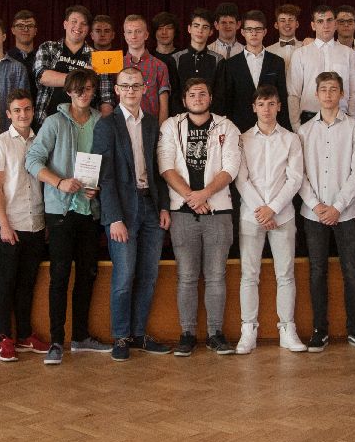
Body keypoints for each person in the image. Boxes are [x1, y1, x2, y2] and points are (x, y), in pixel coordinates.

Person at [26, 68, 110, 363]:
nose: (84, 94)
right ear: (69, 91)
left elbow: (107, 165)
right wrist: (59, 182)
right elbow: (32, 161)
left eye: (89, 89)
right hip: (60, 211)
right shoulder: (54, 122)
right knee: (60, 276)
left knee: (87, 274)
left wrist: (98, 188)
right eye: (79, 89)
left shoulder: (101, 122)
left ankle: (81, 336)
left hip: (90, 211)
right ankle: (56, 341)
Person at [92, 67, 173, 362]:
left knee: (148, 275)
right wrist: (113, 217)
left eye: (135, 86)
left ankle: (139, 334)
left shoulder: (152, 123)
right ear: (116, 90)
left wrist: (164, 206)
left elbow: (160, 168)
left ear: (144, 89)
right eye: (125, 86)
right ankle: (121, 336)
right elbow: (104, 176)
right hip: (122, 210)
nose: (130, 91)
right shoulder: (106, 125)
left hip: (151, 205)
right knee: (125, 276)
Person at [158, 78, 241, 356]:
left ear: (210, 98)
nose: (197, 98)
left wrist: (204, 194)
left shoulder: (226, 126)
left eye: (202, 94)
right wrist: (191, 197)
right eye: (192, 94)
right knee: (186, 276)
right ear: (184, 100)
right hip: (182, 213)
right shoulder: (171, 126)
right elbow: (165, 166)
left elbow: (231, 168)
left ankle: (216, 334)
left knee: (216, 276)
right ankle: (187, 333)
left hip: (218, 211)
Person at [298, 72, 355, 353]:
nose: (328, 94)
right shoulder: (304, 131)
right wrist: (317, 206)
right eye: (323, 89)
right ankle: (320, 330)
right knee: (317, 271)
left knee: (351, 271)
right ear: (316, 94)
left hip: (347, 213)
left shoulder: (354, 128)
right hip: (313, 213)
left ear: (342, 94)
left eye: (333, 89)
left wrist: (337, 207)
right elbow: (299, 174)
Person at [235, 84, 306, 354]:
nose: (266, 109)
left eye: (271, 104)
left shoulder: (291, 139)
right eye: (261, 104)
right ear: (254, 108)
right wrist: (261, 211)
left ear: (279, 107)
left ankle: (287, 329)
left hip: (283, 215)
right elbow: (241, 179)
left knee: (285, 274)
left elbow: (295, 179)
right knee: (249, 275)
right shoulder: (243, 139)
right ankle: (248, 330)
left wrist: (273, 209)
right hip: (251, 215)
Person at [0, 89, 49, 362]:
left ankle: (24, 335)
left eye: (27, 109)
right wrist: (3, 224)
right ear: (8, 114)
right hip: (10, 224)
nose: (23, 115)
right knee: (6, 282)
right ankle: (4, 337)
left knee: (27, 283)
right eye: (17, 110)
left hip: (36, 222)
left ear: (33, 111)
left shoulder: (41, 140)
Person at [34, 5, 114, 125]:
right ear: (65, 24)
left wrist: (105, 127)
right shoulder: (48, 47)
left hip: (85, 125)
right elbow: (42, 76)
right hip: (47, 120)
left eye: (83, 24)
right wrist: (82, 78)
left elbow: (106, 97)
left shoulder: (98, 57)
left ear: (88, 29)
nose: (78, 27)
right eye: (74, 22)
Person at [288, 5, 355, 131]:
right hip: (309, 118)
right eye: (320, 21)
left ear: (335, 24)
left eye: (329, 20)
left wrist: (352, 122)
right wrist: (296, 126)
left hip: (342, 118)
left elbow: (354, 92)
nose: (325, 25)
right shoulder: (300, 54)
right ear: (313, 25)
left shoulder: (348, 53)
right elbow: (293, 93)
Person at [223, 10, 289, 133]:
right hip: (239, 127)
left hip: (270, 127)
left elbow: (282, 97)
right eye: (249, 29)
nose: (254, 33)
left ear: (265, 32)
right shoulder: (230, 64)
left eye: (258, 29)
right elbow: (228, 101)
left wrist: (285, 128)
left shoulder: (277, 62)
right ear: (242, 32)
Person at [174, 8, 226, 114]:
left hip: (212, 118)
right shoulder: (176, 59)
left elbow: (220, 95)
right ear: (189, 28)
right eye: (196, 26)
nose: (200, 30)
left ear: (211, 32)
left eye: (205, 27)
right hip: (181, 118)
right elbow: (174, 95)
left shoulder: (218, 60)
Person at [122, 14, 170, 125]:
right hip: (121, 126)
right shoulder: (116, 64)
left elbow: (164, 104)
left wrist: (161, 131)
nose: (133, 36)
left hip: (150, 126)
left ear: (146, 35)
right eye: (129, 32)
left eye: (138, 31)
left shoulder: (159, 66)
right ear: (125, 36)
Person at [151, 11, 182, 115]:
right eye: (160, 28)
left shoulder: (182, 57)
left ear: (175, 31)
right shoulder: (149, 58)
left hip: (179, 112)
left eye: (169, 28)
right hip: (153, 112)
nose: (164, 32)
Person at [7, 10, 40, 108]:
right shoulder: (5, 59)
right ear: (13, 30)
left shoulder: (43, 58)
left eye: (30, 26)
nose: (25, 29)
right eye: (20, 26)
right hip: (14, 112)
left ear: (35, 31)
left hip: (39, 111)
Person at [270, 3, 301, 75]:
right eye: (282, 20)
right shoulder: (268, 51)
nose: (287, 23)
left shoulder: (305, 47)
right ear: (276, 25)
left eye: (291, 20)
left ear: (297, 24)